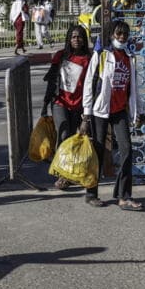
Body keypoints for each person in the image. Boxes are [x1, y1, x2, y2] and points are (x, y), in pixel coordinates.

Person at [80, 21, 145, 210]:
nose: (122, 37)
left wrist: (140, 111)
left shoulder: (129, 56)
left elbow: (134, 88)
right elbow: (89, 84)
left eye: (125, 34)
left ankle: (123, 196)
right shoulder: (101, 55)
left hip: (119, 111)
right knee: (98, 151)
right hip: (100, 110)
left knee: (126, 150)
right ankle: (91, 193)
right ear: (111, 35)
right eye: (119, 33)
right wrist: (86, 115)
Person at [43, 25, 93, 192]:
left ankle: (70, 173)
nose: (76, 40)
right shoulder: (61, 56)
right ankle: (62, 175)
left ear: (84, 39)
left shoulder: (90, 58)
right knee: (63, 134)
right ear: (68, 39)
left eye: (79, 37)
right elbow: (51, 80)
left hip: (79, 105)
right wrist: (45, 104)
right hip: (60, 102)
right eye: (73, 37)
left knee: (73, 138)